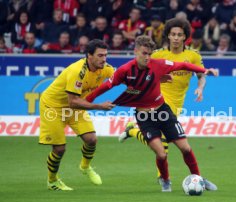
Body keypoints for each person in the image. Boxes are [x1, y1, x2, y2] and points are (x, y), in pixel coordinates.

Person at [85, 35, 218, 192]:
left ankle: (199, 178)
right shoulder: (125, 70)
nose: (147, 57)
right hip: (144, 117)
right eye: (144, 53)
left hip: (163, 111)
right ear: (136, 52)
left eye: (149, 53)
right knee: (161, 154)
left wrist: (204, 70)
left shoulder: (159, 65)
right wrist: (86, 102)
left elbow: (183, 65)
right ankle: (165, 180)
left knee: (186, 148)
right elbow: (105, 86)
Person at [118, 18, 218, 191]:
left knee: (168, 145)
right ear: (168, 36)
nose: (176, 38)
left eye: (180, 35)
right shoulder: (157, 54)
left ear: (185, 37)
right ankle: (165, 179)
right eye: (173, 34)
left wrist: (200, 89)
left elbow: (202, 76)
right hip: (158, 101)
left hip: (177, 104)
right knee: (164, 144)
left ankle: (133, 131)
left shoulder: (193, 55)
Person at [39, 39, 115, 191]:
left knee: (91, 139)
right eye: (100, 56)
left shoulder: (105, 68)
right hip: (53, 107)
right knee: (59, 149)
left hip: (74, 107)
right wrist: (99, 106)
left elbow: (124, 77)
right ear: (89, 55)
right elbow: (73, 101)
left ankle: (85, 167)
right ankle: (52, 181)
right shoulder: (77, 71)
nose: (104, 59)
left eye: (105, 55)